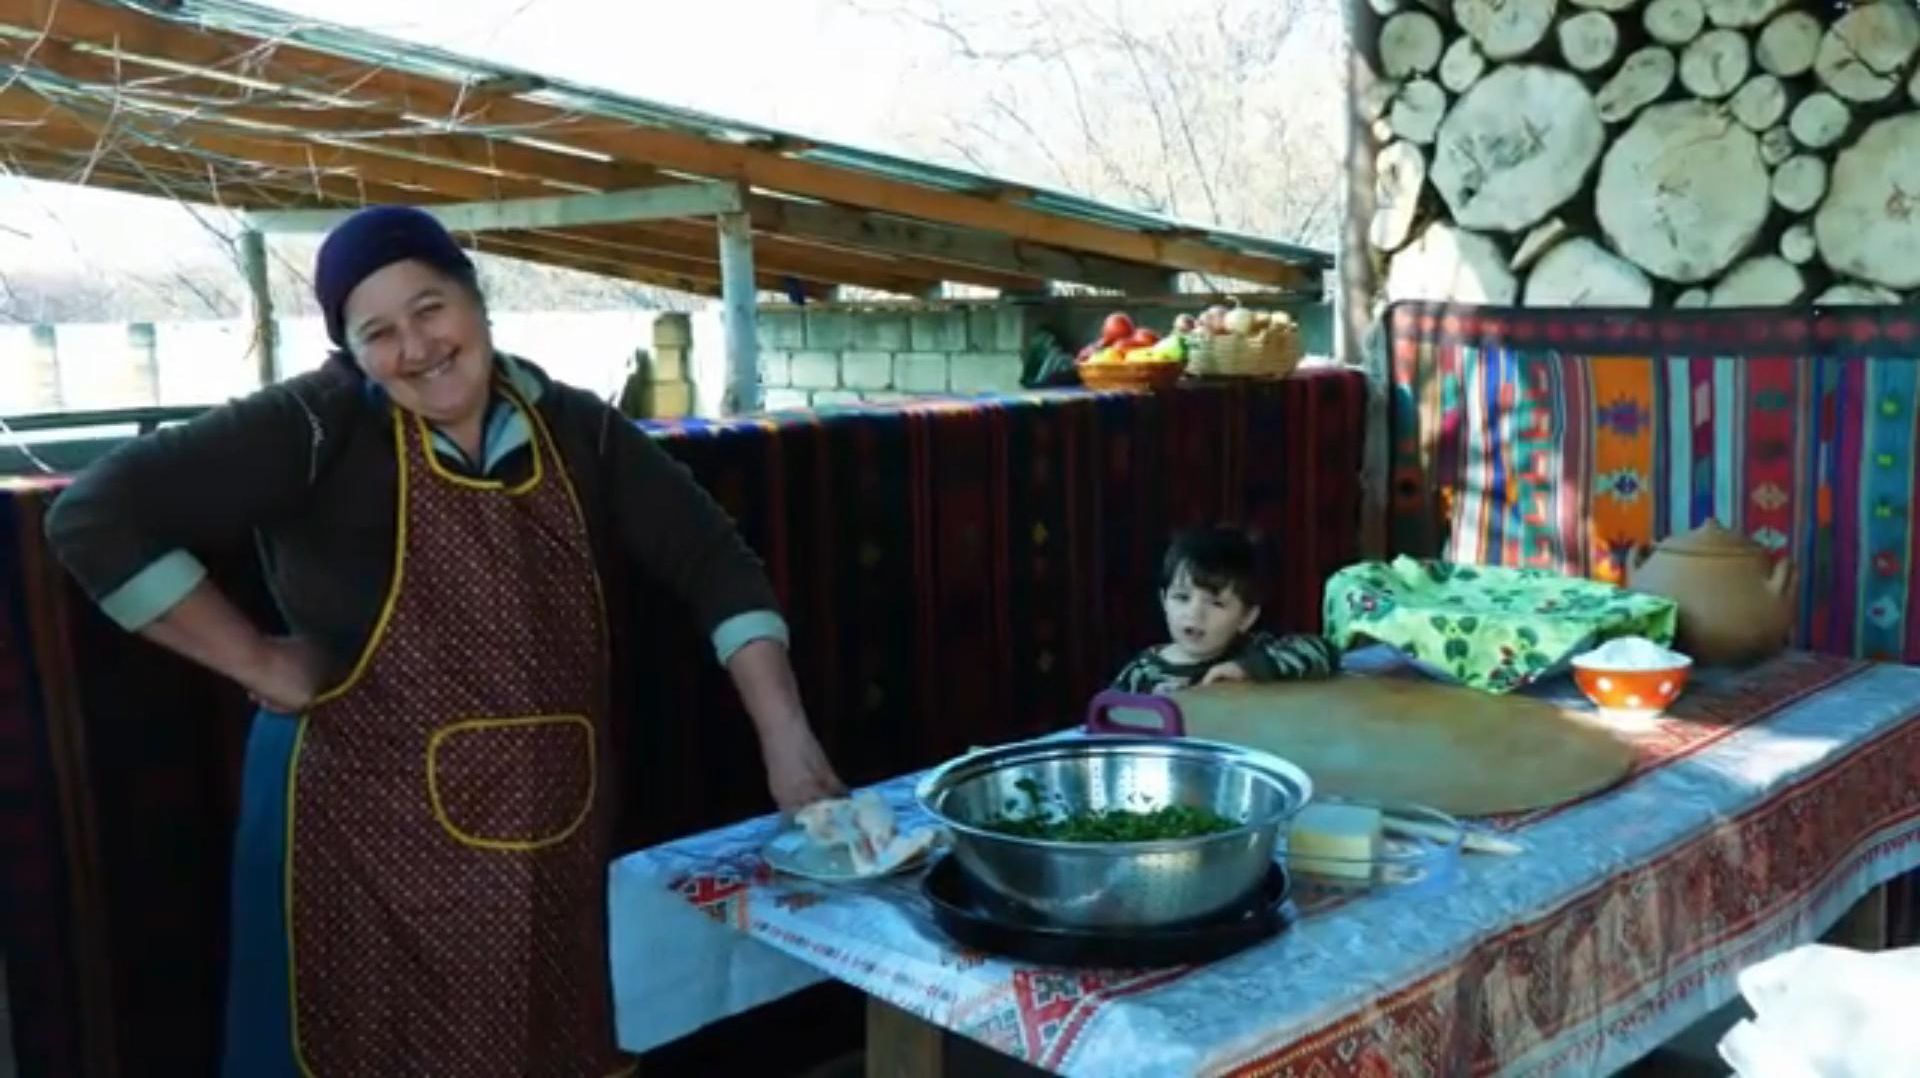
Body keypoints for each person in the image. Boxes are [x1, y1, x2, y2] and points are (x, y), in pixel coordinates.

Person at [42, 205, 846, 1077]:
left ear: (477, 298)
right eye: (378, 333)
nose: (417, 348)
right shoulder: (317, 427)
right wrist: (256, 658)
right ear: (351, 351)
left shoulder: (577, 429)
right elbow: (94, 516)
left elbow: (712, 559)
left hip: (553, 834)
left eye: (430, 309)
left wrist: (786, 738)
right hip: (361, 844)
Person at [1110, 526, 1341, 695]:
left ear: (1246, 618)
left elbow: (1324, 652)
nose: (1194, 613)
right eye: (1182, 598)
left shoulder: (1253, 650)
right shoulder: (1143, 672)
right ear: (1163, 601)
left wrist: (1245, 669)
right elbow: (1106, 725)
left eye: (1216, 603)